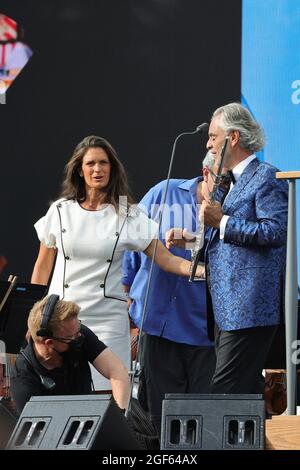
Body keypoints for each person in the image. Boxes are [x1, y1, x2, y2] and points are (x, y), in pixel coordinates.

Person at [31, 135, 204, 391]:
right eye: (90, 164)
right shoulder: (60, 210)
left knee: (108, 400)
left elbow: (165, 259)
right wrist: (36, 319)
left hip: (107, 321)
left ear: (112, 168)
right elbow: (43, 266)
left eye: (103, 163)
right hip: (59, 321)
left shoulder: (127, 214)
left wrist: (203, 271)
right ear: (79, 169)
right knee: (62, 398)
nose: (97, 169)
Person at [171, 102, 288, 395]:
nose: (208, 144)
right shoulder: (227, 182)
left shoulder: (266, 176)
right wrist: (190, 238)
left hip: (250, 308)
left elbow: (275, 231)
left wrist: (221, 220)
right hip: (225, 309)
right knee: (242, 394)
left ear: (233, 137)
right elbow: (225, 238)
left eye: (213, 136)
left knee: (223, 392)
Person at [122, 151, 219, 439]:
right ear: (205, 173)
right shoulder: (163, 192)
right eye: (222, 179)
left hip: (205, 332)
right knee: (157, 422)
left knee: (201, 424)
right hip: (157, 326)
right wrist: (128, 301)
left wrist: (191, 240)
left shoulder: (232, 210)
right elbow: (132, 247)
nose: (228, 187)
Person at [10, 296, 130, 414]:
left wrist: (120, 415)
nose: (79, 337)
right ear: (49, 343)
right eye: (72, 337)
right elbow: (34, 426)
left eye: (78, 330)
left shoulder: (77, 333)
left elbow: (117, 370)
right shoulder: (23, 375)